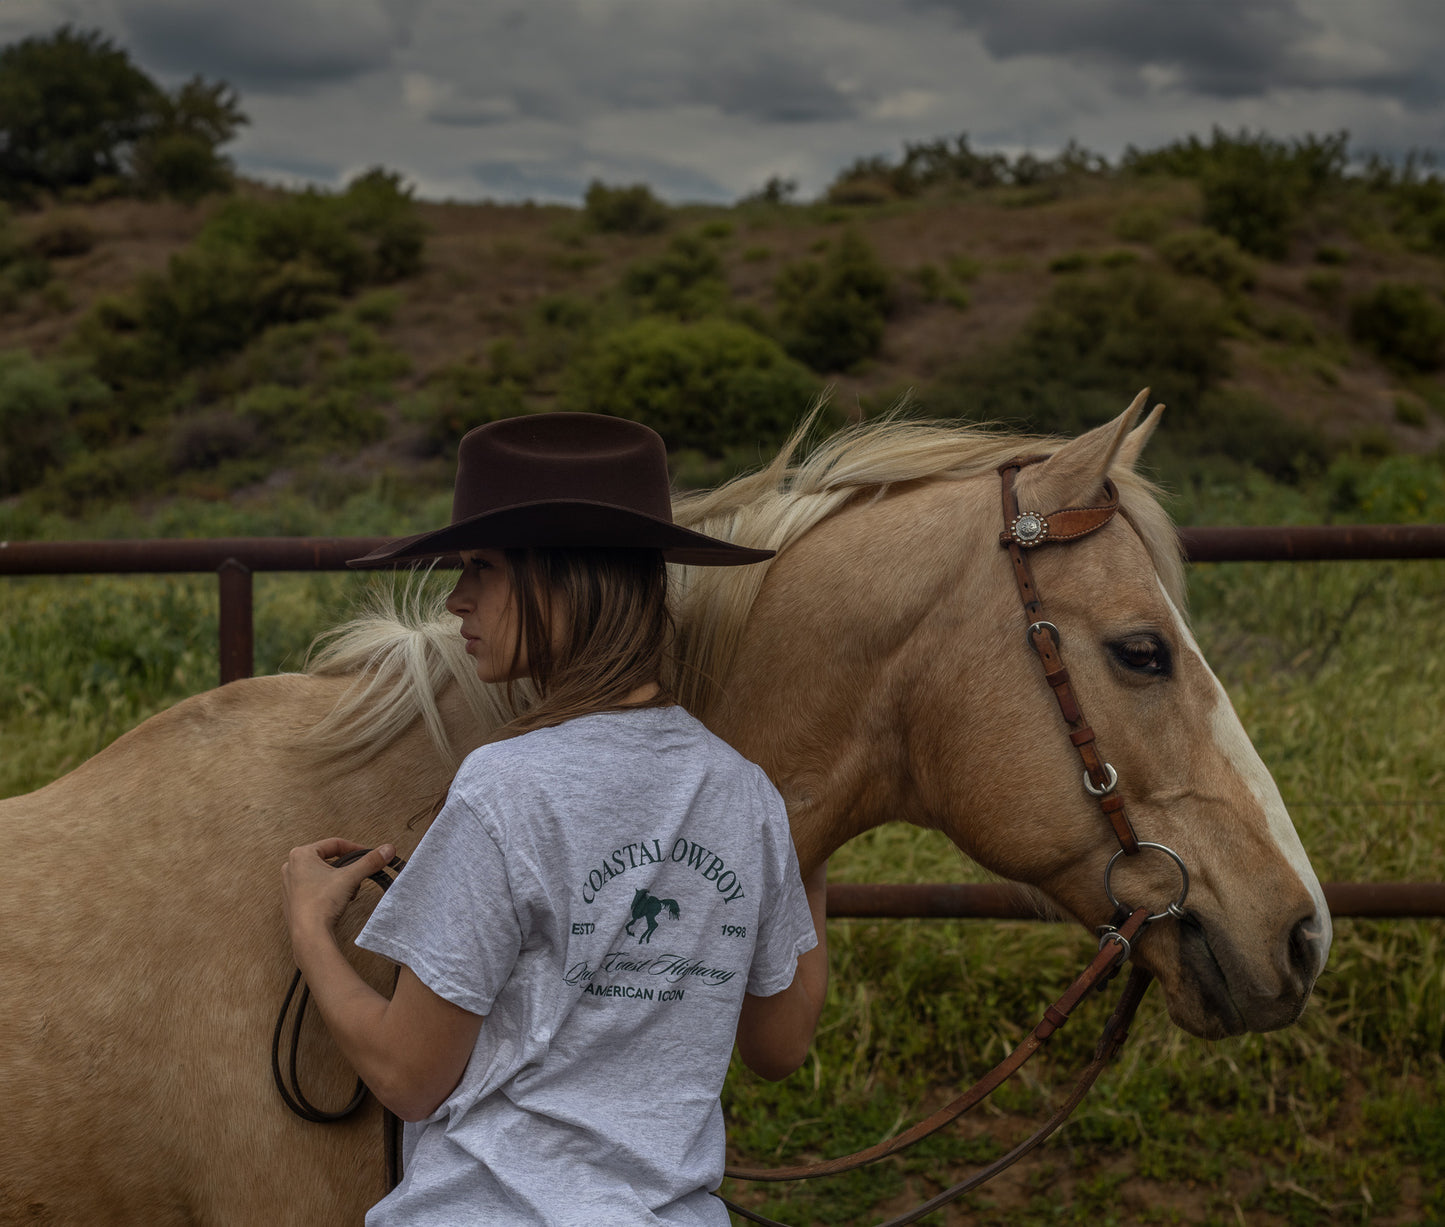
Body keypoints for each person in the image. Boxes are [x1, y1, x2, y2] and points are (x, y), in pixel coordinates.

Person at [280, 412, 828, 1226]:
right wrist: (803, 856)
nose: (455, 598)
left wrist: (310, 930)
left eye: (482, 568)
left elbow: (408, 1075)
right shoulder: (745, 795)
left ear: (561, 578)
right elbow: (779, 1048)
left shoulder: (506, 788)